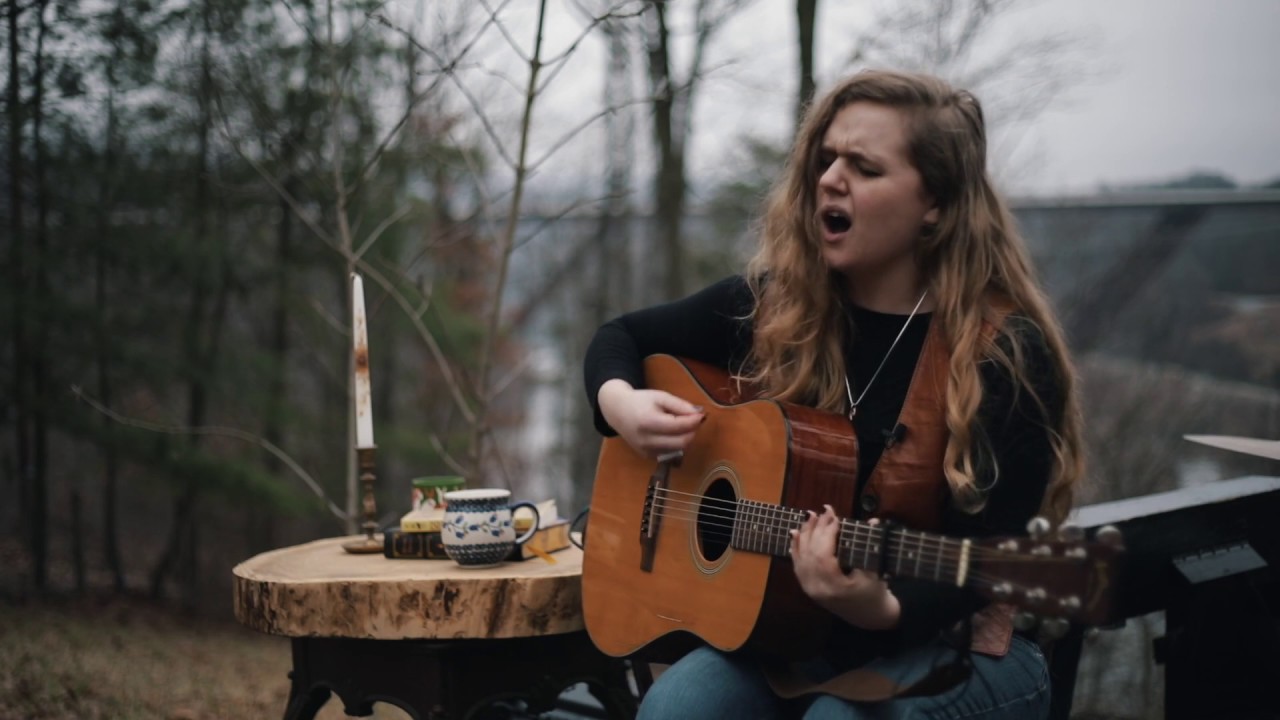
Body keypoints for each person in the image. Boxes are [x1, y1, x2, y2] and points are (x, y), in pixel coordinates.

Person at [583, 69, 1084, 719]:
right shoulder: (777, 307)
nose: (830, 178)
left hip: (960, 648)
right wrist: (622, 405)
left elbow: (998, 556)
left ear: (935, 201)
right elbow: (620, 335)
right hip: (800, 634)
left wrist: (879, 605)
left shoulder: (1002, 354)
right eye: (826, 159)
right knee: (678, 707)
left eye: (865, 167)